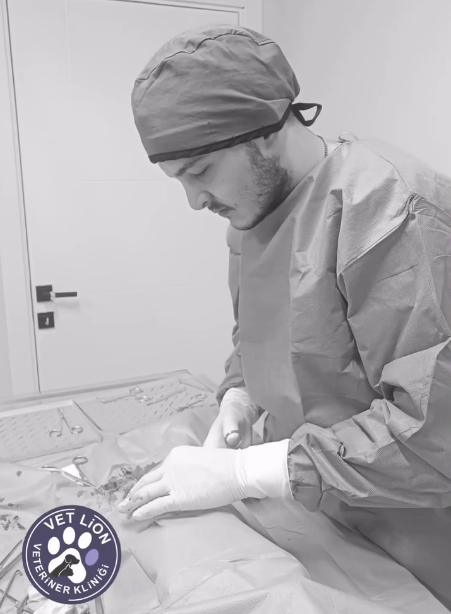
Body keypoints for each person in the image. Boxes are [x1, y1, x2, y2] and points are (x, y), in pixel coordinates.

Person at [117, 25, 451, 609]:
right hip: (320, 508)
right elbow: (263, 332)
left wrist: (249, 473)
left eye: (200, 171)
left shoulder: (390, 212)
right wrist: (240, 394)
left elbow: (434, 434)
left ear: (267, 130)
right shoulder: (251, 218)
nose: (195, 202)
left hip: (418, 530)